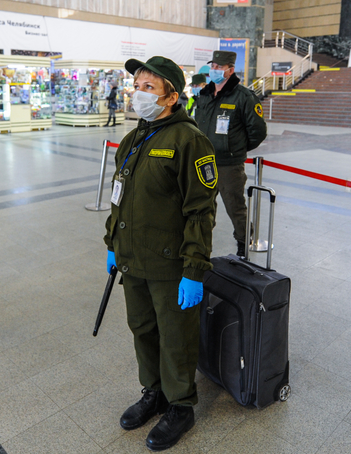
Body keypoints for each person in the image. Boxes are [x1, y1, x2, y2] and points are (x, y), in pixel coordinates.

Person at [103, 56, 217, 451]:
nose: (139, 93)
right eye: (137, 85)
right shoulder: (136, 138)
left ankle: (181, 406)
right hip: (134, 258)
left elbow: (200, 212)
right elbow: (120, 198)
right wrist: (112, 244)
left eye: (148, 88)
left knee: (175, 336)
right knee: (143, 329)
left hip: (171, 264)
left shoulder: (189, 140)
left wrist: (194, 270)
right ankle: (154, 392)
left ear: (171, 96)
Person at [193, 50, 267, 257]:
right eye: (212, 66)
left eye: (218, 67)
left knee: (235, 208)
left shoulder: (243, 97)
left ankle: (243, 244)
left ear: (230, 70)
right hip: (203, 163)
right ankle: (201, 244)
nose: (213, 70)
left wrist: (235, 148)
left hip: (229, 165)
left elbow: (258, 131)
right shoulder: (205, 94)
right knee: (202, 207)